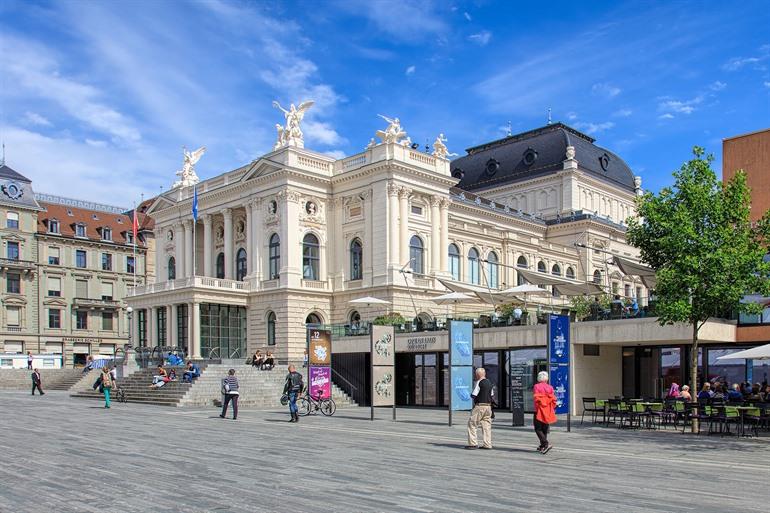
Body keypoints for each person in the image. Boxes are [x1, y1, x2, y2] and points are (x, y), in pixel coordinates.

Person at [466, 367, 494, 450]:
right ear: (484, 374)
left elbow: (474, 395)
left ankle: (473, 444)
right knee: (486, 426)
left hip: (480, 406)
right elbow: (492, 395)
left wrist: (470, 395)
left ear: (477, 375)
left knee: (472, 424)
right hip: (488, 407)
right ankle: (487, 444)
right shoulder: (490, 382)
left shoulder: (479, 382)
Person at [533, 371, 557, 454]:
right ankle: (542, 446)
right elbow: (553, 400)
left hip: (539, 410)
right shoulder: (550, 387)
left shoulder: (536, 386)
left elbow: (536, 399)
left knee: (538, 428)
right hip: (548, 410)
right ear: (547, 378)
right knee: (544, 429)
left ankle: (546, 444)